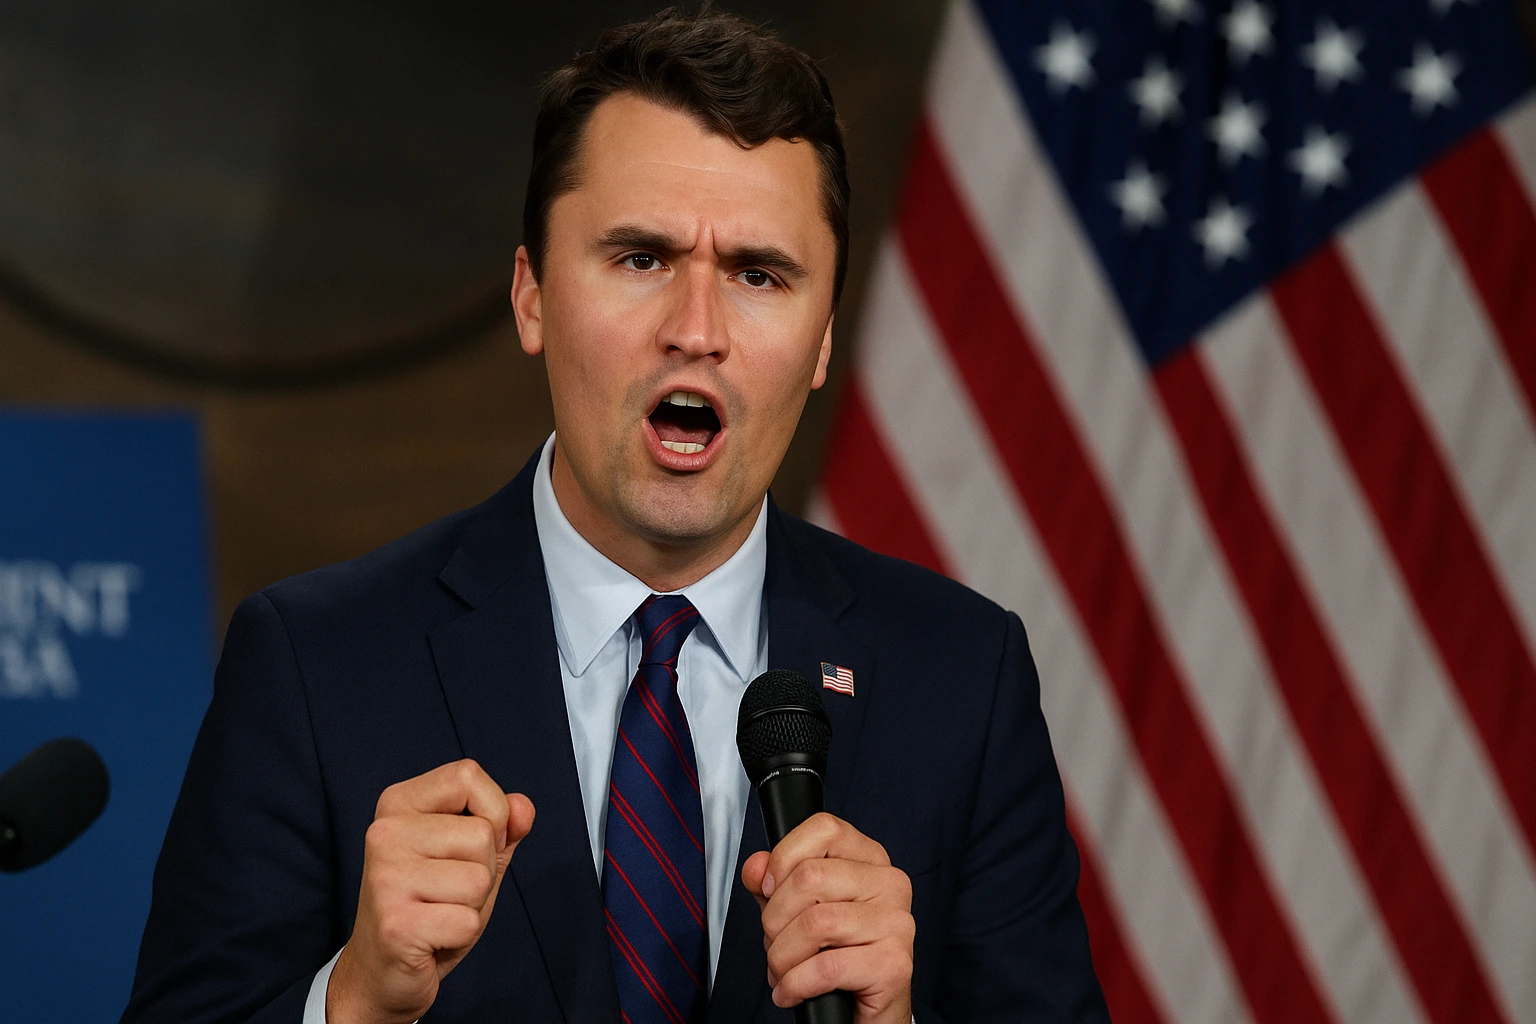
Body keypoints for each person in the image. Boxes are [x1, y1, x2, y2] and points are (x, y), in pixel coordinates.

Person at [121, 9, 1108, 1024]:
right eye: (640, 258)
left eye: (759, 274)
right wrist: (356, 999)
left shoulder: (960, 679)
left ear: (821, 342)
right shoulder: (314, 664)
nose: (696, 330)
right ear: (533, 295)